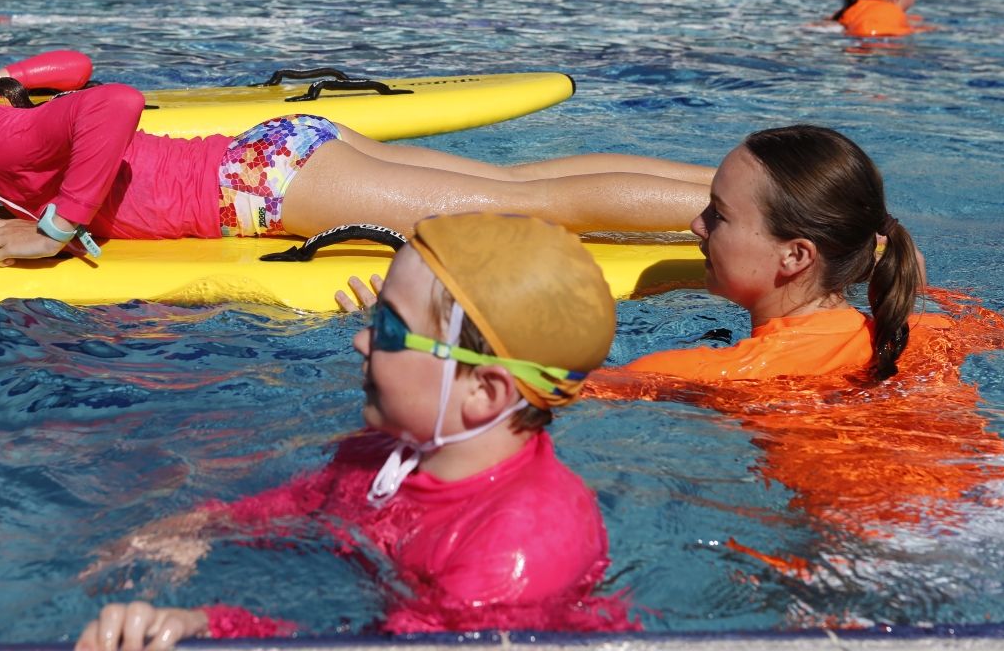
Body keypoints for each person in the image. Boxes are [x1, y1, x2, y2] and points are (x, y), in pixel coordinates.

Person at [76, 213, 639, 648]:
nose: (360, 342)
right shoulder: (384, 455)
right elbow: (307, 502)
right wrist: (201, 527)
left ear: (483, 392)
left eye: (390, 329)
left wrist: (205, 625)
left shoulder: (517, 547)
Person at [0, 0, 712, 265]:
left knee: (528, 209)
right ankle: (729, 187)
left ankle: (775, 212)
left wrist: (55, 231)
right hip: (273, 158)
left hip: (261, 188)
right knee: (523, 184)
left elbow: (116, 101)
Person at [579, 125, 1004, 535]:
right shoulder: (931, 330)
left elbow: (539, 393)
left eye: (719, 215)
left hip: (888, 540)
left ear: (796, 256)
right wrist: (926, 287)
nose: (696, 224)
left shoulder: (701, 371)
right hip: (988, 494)